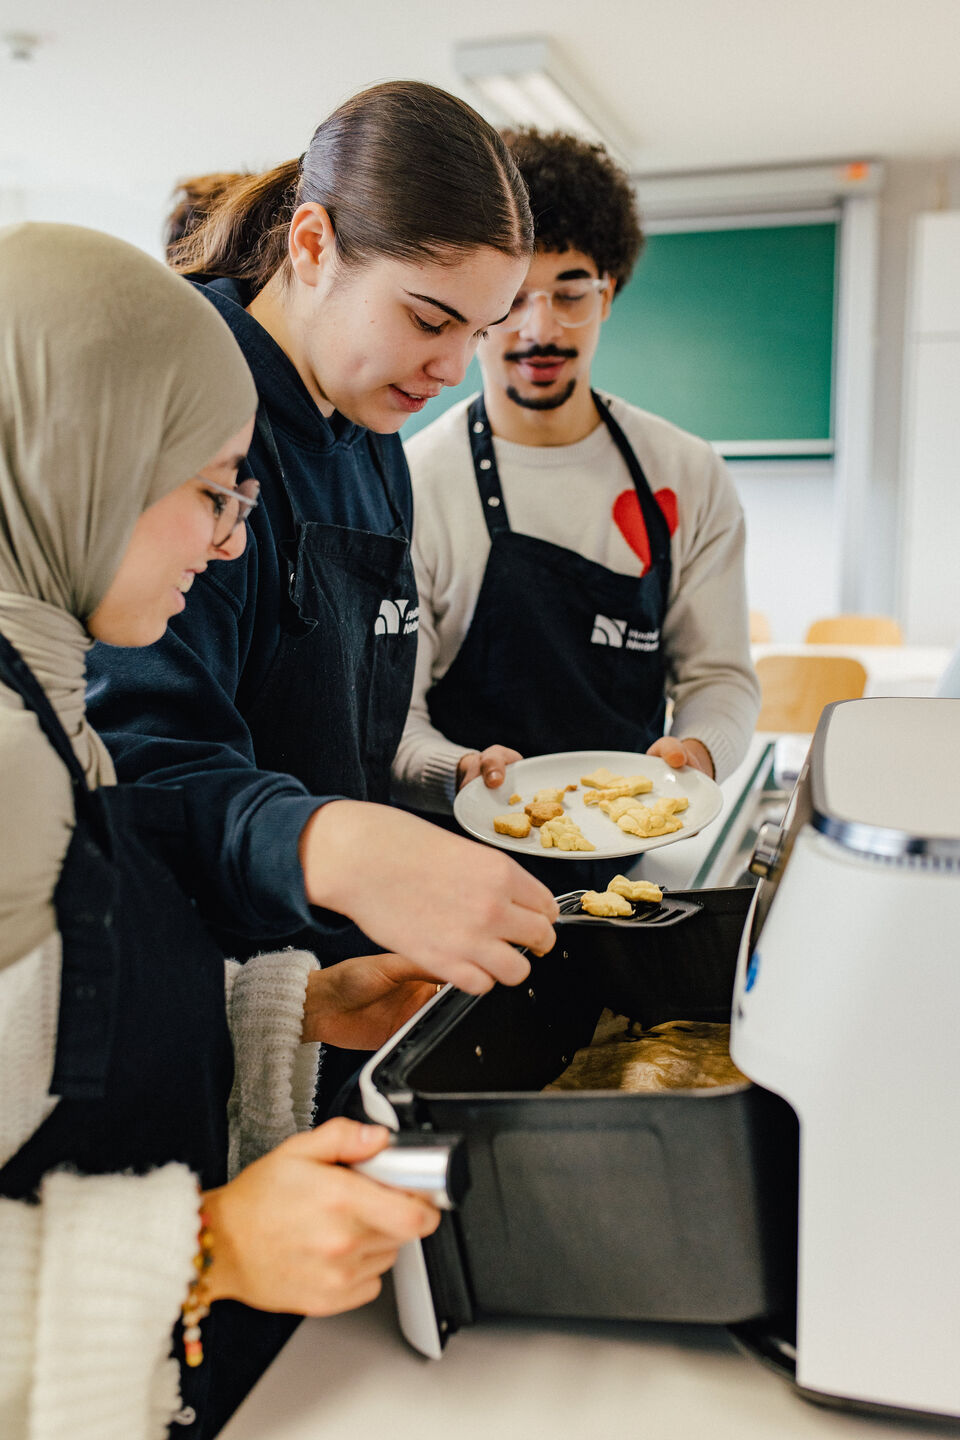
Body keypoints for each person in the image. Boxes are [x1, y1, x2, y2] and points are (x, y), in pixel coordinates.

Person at [0, 222, 448, 1440]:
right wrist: (203, 1250)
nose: (231, 541)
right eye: (208, 494)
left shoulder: (44, 701)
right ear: (74, 461)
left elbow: (51, 1046)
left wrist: (284, 1007)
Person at [86, 84, 557, 1053]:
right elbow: (140, 759)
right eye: (430, 320)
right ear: (311, 246)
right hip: (181, 996)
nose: (455, 369)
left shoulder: (372, 426)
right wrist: (329, 849)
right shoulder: (192, 393)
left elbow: (343, 716)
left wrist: (429, 786)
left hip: (323, 989)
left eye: (481, 331)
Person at [393, 129, 760, 874]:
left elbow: (719, 677)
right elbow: (393, 721)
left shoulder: (685, 473)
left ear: (610, 294)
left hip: (633, 863)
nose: (541, 328)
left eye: (571, 294)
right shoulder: (414, 481)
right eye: (514, 299)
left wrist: (698, 753)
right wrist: (458, 772)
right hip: (453, 870)